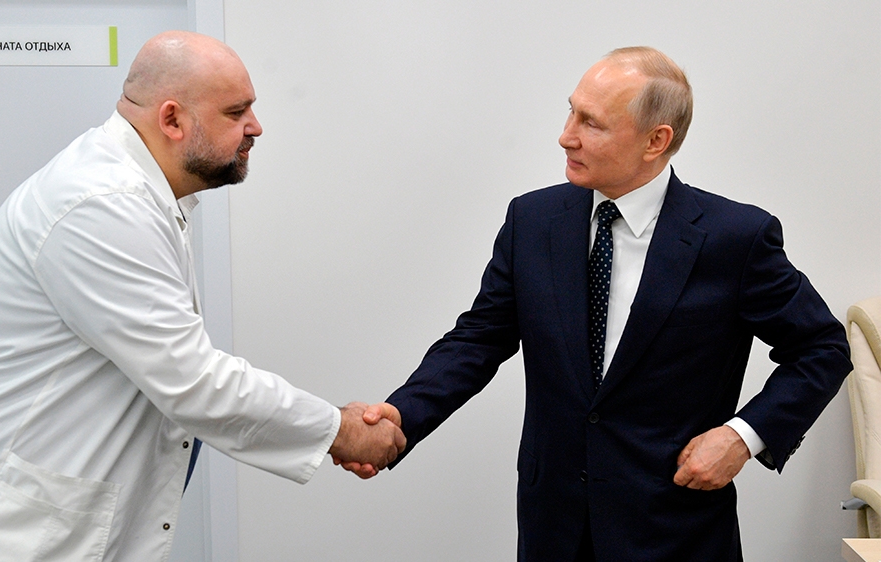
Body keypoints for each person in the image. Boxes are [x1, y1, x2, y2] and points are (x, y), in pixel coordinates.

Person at [0, 31, 404, 562]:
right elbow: (195, 382)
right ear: (172, 119)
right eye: (237, 111)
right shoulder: (103, 204)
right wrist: (339, 431)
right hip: (6, 540)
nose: (256, 127)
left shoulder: (131, 194)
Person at [337, 46, 852, 561]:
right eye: (570, 111)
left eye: (592, 123)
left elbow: (823, 347)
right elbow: (479, 338)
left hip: (674, 530)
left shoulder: (734, 238)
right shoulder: (533, 220)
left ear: (656, 141)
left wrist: (742, 437)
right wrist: (402, 418)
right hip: (554, 530)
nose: (566, 135)